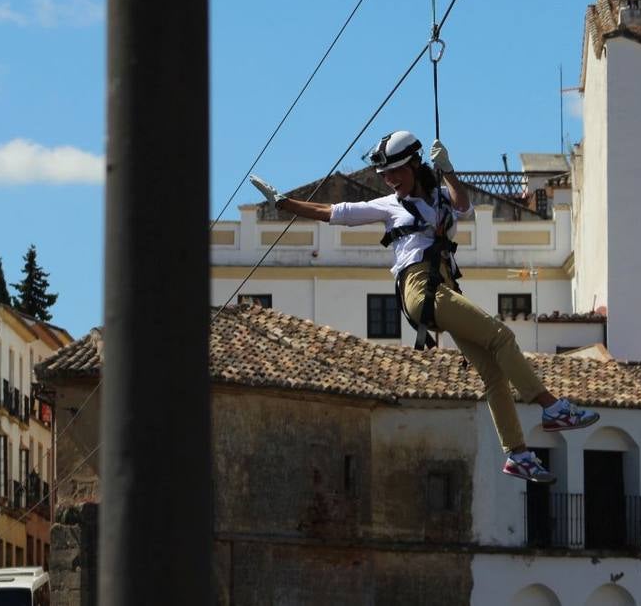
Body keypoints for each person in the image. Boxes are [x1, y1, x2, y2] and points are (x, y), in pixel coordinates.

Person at [250, 130, 597, 483]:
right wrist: (284, 204)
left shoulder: (440, 199)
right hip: (420, 289)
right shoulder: (388, 205)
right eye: (385, 174)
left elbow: (463, 205)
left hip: (443, 287)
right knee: (502, 336)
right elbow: (335, 212)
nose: (390, 180)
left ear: (416, 165)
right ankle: (551, 407)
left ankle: (518, 454)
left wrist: (447, 169)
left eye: (396, 171)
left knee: (493, 372)